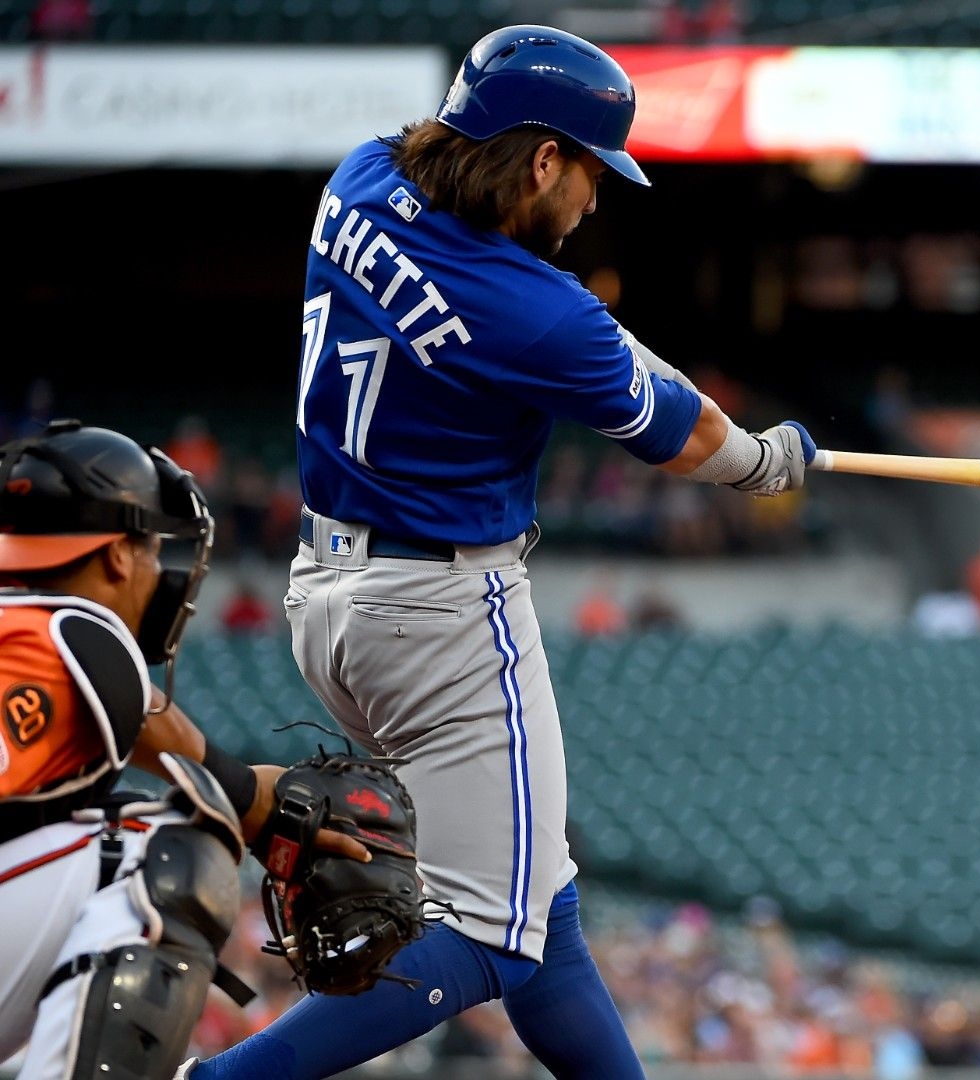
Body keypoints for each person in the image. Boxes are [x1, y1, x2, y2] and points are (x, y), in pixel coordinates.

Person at [188, 24, 815, 1079]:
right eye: (589, 170)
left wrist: (678, 394)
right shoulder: (538, 314)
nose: (595, 198)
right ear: (539, 158)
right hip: (440, 613)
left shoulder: (361, 177)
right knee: (492, 933)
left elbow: (590, 343)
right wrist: (766, 461)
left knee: (541, 913)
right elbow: (689, 439)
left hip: (331, 597)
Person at [0, 421, 368, 1078]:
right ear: (118, 555)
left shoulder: (34, 635)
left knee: (112, 823)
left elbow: (168, 739)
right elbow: (163, 734)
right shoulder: (66, 632)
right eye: (151, 548)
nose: (156, 569)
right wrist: (254, 807)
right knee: (159, 850)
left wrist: (256, 802)